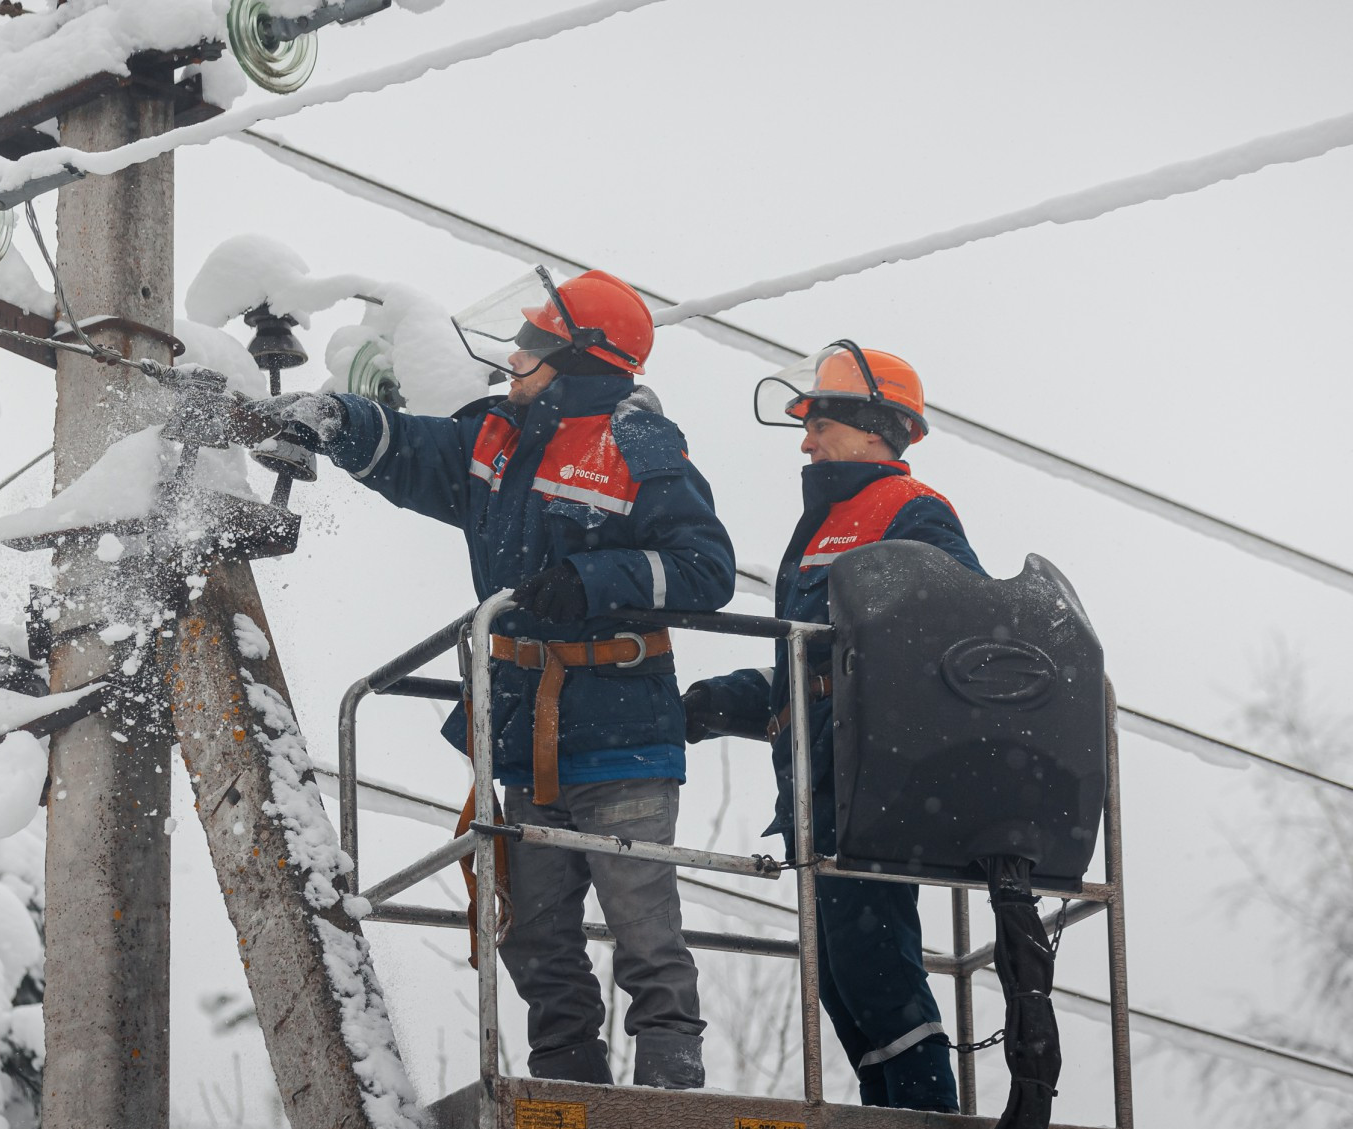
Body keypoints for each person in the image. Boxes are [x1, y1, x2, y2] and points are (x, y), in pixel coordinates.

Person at [252, 267, 735, 1090]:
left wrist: (591, 583)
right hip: (528, 738)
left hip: (620, 737)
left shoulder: (637, 444)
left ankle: (668, 1097)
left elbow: (706, 568)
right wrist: (339, 418)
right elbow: (414, 450)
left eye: (536, 343)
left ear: (583, 359)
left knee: (645, 937)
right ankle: (570, 1089)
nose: (515, 355)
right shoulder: (497, 440)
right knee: (534, 937)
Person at [681, 341, 980, 1112]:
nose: (807, 442)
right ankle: (891, 1108)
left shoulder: (913, 510)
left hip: (870, 787)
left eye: (818, 423)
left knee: (875, 968)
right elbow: (807, 673)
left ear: (875, 427)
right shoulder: (820, 529)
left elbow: (963, 631)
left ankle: (925, 1113)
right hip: (819, 790)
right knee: (843, 979)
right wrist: (719, 702)